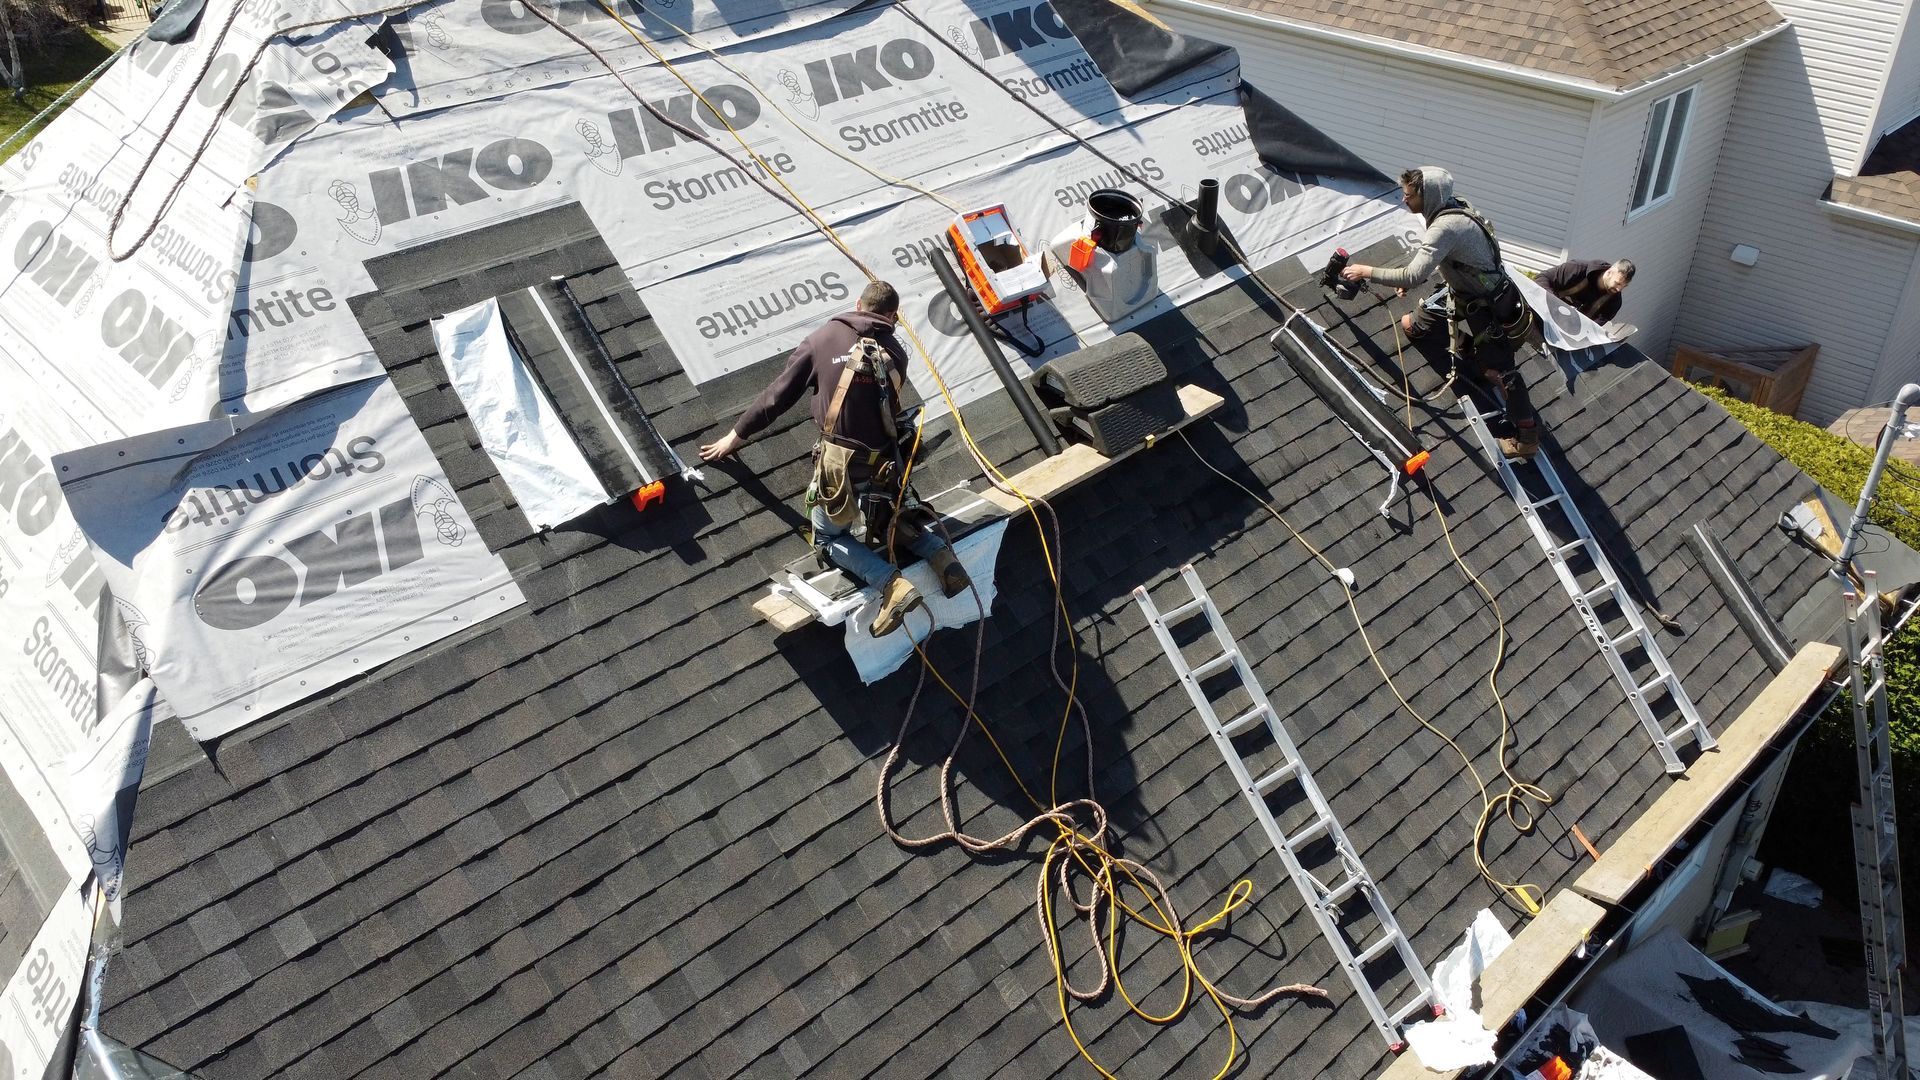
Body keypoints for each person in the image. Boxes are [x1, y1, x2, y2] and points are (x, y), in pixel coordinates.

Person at [699, 281, 969, 636]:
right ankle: (941, 556)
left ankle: (891, 585)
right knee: (891, 520)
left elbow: (776, 397)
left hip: (841, 466)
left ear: (858, 304)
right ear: (892, 317)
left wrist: (736, 436)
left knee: (827, 537)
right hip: (888, 464)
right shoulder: (896, 351)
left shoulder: (822, 340)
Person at [1340, 166, 1541, 457]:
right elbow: (1433, 254)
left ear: (1428, 195)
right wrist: (1410, 276)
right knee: (1412, 325)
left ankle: (1527, 437)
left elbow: (1414, 273)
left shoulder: (1446, 226)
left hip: (1486, 303)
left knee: (1502, 373)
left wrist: (1366, 271)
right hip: (1460, 293)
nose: (1403, 200)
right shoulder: (1451, 206)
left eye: (1408, 195)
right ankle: (1472, 352)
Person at [1539, 258, 1634, 326]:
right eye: (1617, 283)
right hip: (1543, 312)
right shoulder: (1576, 268)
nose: (1619, 289)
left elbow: (1593, 327)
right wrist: (1553, 303)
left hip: (1566, 330)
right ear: (1609, 273)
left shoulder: (1614, 302)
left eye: (1624, 286)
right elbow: (1542, 278)